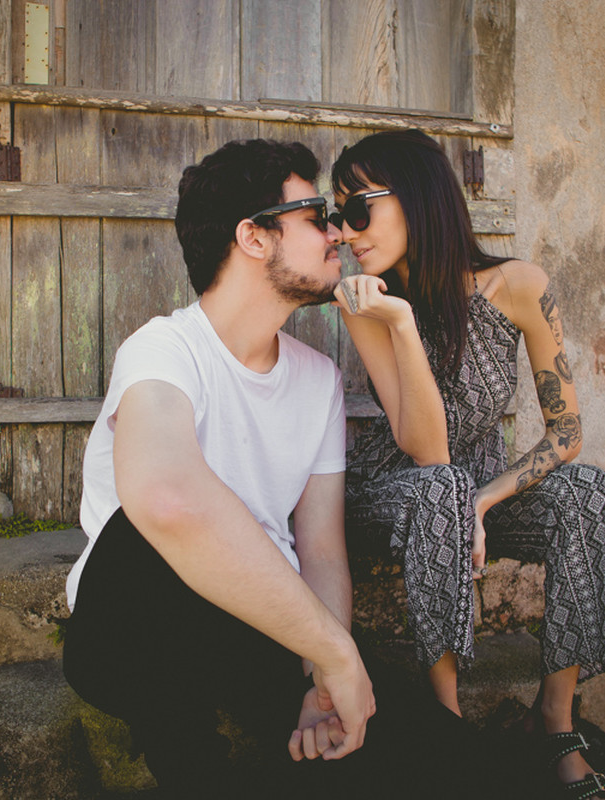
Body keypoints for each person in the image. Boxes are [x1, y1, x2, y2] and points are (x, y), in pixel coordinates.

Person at [62, 138, 494, 799]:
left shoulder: (317, 380)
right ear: (254, 237)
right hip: (131, 623)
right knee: (146, 533)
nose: (338, 235)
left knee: (441, 754)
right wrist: (333, 652)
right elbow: (167, 499)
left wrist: (321, 676)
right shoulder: (163, 350)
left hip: (254, 628)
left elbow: (320, 548)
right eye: (317, 215)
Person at [330, 129, 605, 799]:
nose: (346, 232)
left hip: (479, 483)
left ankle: (552, 722)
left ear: (418, 197)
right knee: (439, 486)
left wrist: (484, 502)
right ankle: (448, 730)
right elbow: (426, 451)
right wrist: (401, 324)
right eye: (338, 214)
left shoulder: (518, 285)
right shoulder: (365, 305)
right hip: (395, 488)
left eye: (357, 209)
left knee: (586, 490)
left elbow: (567, 431)